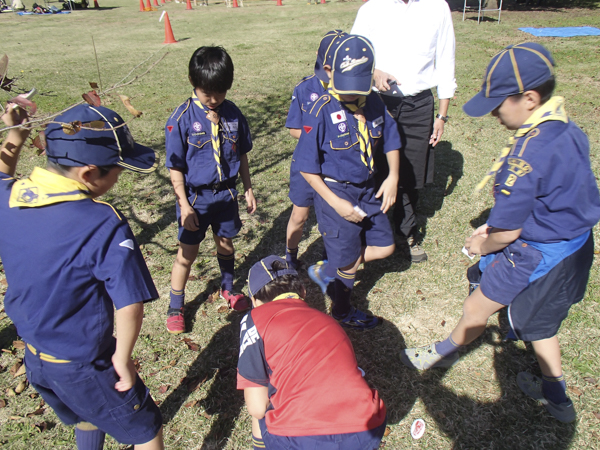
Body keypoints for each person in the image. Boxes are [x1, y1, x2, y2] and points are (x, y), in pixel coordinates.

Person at [400, 43, 600, 424]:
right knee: (540, 326)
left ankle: (445, 351)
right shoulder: (566, 128)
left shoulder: (523, 159)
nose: (493, 112)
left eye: (498, 103)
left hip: (535, 251)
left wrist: (481, 242)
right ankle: (558, 398)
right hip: (575, 245)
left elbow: (506, 235)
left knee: (477, 307)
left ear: (528, 98)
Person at [0, 103, 164, 449]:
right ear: (88, 174)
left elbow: (1, 173)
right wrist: (122, 357)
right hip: (85, 365)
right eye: (116, 170)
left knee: (88, 412)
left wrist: (15, 134)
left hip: (37, 358)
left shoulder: (11, 198)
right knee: (147, 429)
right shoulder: (102, 223)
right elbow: (129, 301)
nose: (118, 176)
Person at [295, 35, 401, 330]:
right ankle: (341, 310)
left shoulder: (375, 103)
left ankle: (332, 269)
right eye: (345, 86)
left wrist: (392, 176)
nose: (351, 94)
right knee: (349, 260)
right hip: (335, 193)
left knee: (385, 247)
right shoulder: (321, 110)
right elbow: (306, 167)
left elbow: (391, 139)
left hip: (368, 189)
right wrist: (337, 203)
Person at [237, 255, 387, 450]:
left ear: (254, 301)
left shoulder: (254, 319)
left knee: (260, 409)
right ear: (303, 291)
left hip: (300, 436)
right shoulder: (328, 321)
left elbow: (257, 408)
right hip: (367, 428)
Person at [351, 0, 456, 263]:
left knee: (410, 172)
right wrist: (373, 71)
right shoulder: (372, 8)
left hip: (418, 104)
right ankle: (365, 232)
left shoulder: (437, 7)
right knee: (369, 167)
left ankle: (405, 231)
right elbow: (350, 55)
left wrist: (442, 114)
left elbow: (446, 59)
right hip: (376, 101)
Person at [165, 46, 257, 334]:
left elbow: (241, 152)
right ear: (194, 83)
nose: (214, 99)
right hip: (196, 198)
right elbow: (175, 166)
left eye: (221, 92)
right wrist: (184, 204)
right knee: (187, 254)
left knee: (226, 243)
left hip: (226, 194)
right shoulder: (181, 118)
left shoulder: (232, 114)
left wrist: (248, 187)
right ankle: (175, 304)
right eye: (208, 93)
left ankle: (227, 289)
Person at [284, 29, 347, 270]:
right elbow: (293, 128)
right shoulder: (304, 89)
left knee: (332, 214)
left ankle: (329, 254)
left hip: (335, 165)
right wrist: (322, 137)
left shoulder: (349, 90)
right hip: (308, 163)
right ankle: (290, 256)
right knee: (300, 216)